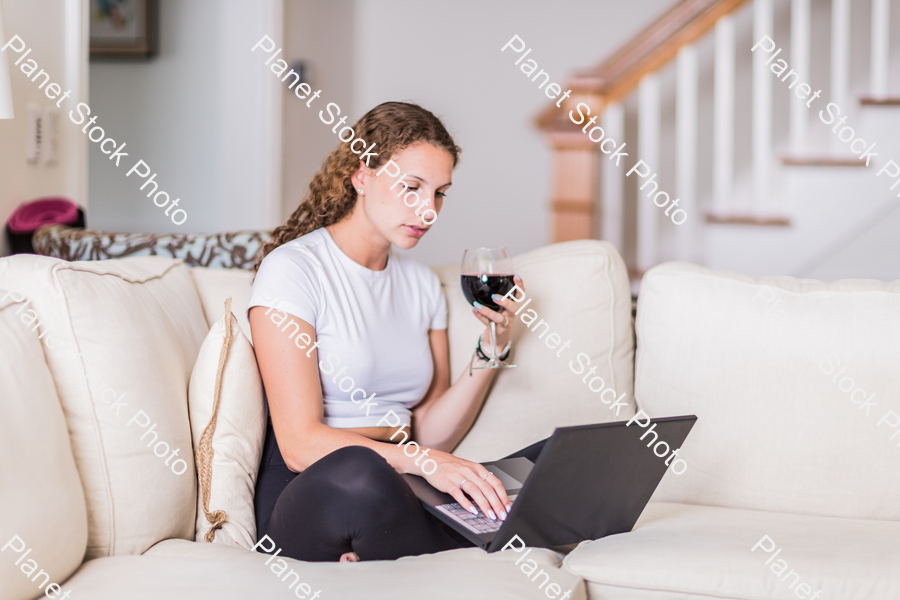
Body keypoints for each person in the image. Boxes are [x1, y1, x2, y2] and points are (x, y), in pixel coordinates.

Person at [249, 101, 532, 563]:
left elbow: (431, 434)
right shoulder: (294, 271)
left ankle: (413, 540)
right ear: (362, 176)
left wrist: (493, 347)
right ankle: (488, 535)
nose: (428, 210)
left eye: (440, 193)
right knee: (363, 472)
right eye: (412, 187)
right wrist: (423, 461)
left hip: (398, 477)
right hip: (314, 483)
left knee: (543, 467)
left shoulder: (420, 284)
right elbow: (299, 443)